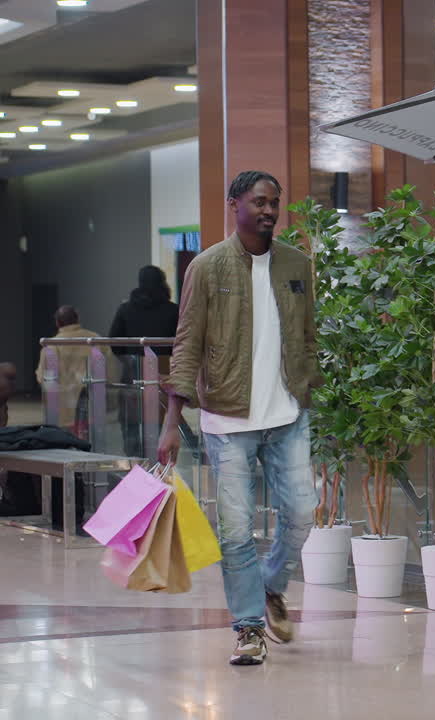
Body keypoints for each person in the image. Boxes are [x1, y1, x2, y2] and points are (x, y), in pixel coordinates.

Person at [159, 170, 321, 666]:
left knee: (302, 513)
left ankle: (271, 585)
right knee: (234, 530)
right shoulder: (207, 268)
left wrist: (310, 387)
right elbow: (186, 344)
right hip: (228, 420)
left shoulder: (297, 263)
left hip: (288, 412)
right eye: (259, 202)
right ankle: (248, 627)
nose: (269, 211)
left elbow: (308, 333)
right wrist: (172, 419)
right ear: (235, 203)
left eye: (275, 202)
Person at [109, 266, 180, 458]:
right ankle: (158, 465)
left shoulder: (125, 309)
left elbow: (114, 342)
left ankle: (133, 464)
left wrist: (132, 358)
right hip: (162, 376)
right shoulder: (172, 310)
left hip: (132, 376)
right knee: (159, 423)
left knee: (131, 424)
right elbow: (181, 343)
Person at [35, 306, 101, 435]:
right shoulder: (95, 339)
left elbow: (43, 377)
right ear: (77, 319)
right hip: (92, 401)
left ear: (57, 322)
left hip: (63, 408)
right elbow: (109, 370)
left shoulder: (52, 345)